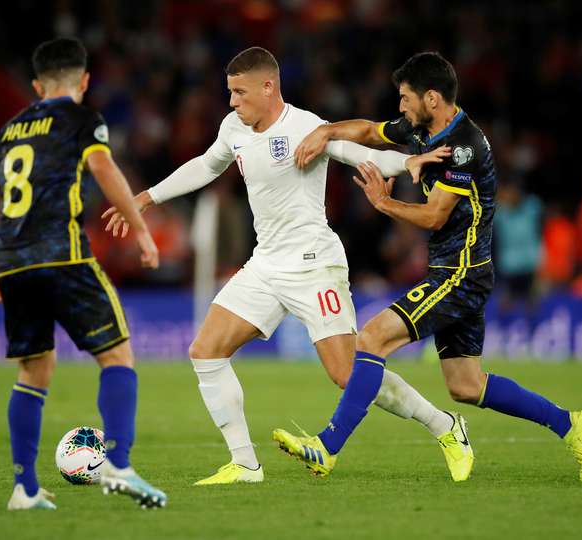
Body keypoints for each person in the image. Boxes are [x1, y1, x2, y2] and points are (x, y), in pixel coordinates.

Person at [103, 47, 474, 485]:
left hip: (315, 264)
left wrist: (408, 161)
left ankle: (445, 426)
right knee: (205, 352)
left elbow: (362, 155)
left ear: (268, 87)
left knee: (346, 373)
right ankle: (244, 464)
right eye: (229, 93)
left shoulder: (305, 126)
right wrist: (145, 198)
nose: (232, 102)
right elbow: (207, 164)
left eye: (239, 92)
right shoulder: (233, 127)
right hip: (266, 263)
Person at [274, 51, 582, 482]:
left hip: (460, 274)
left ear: (431, 97)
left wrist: (383, 202)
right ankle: (571, 425)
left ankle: (327, 446)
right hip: (459, 271)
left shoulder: (464, 147)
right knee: (466, 386)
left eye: (406, 98)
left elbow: (435, 216)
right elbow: (370, 131)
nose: (401, 107)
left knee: (370, 338)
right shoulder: (421, 127)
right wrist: (326, 132)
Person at [0, 37, 167, 510]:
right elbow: (102, 166)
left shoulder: (8, 131)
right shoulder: (82, 118)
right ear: (84, 80)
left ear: (36, 85)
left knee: (34, 370)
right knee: (117, 355)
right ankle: (119, 465)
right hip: (63, 255)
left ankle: (24, 490)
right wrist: (141, 230)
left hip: (13, 262)